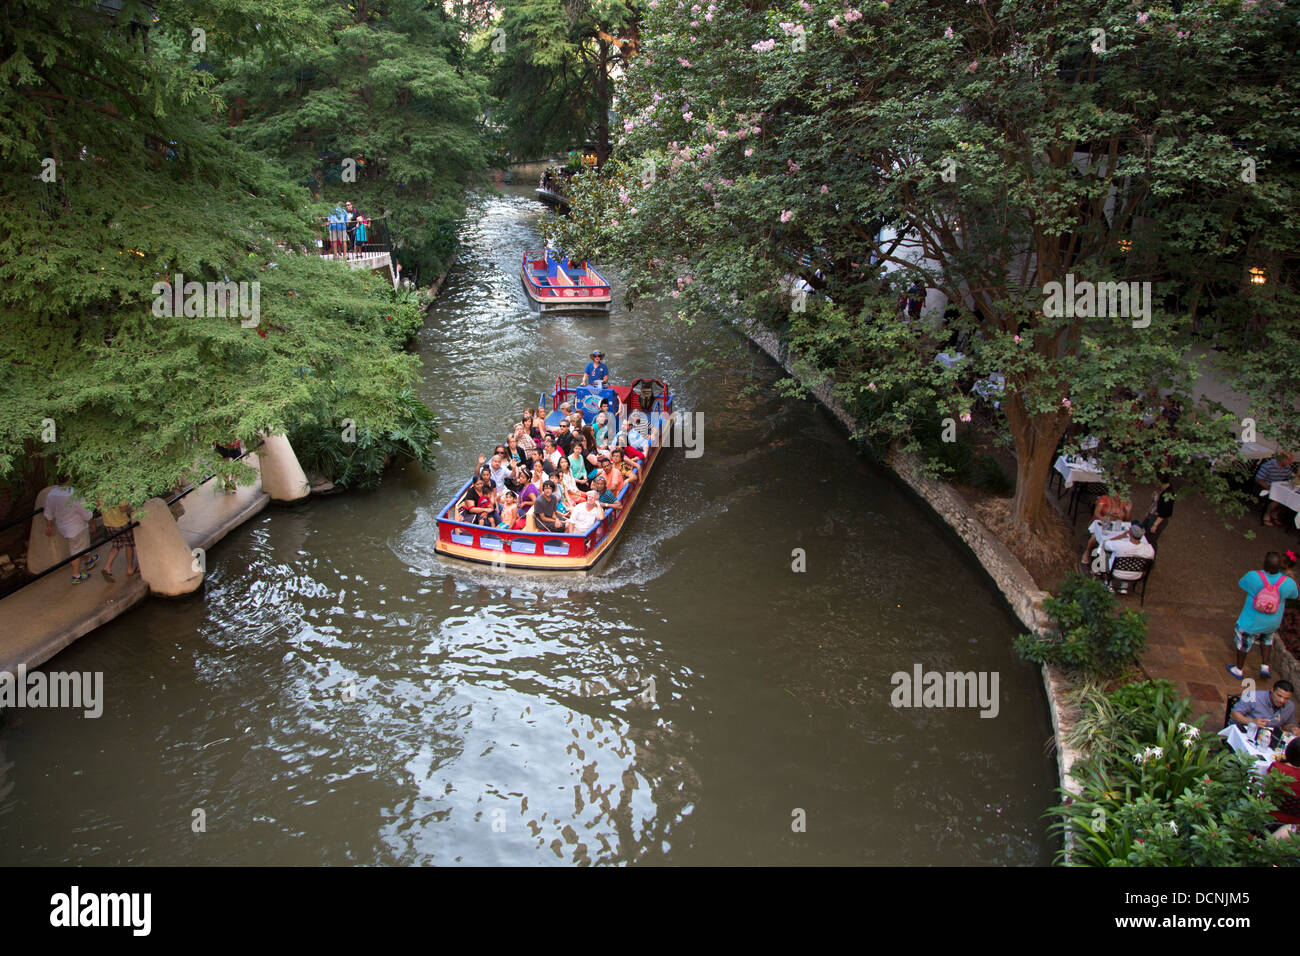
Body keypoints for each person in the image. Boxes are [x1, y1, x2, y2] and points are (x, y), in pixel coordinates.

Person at [1228, 552, 1300, 679]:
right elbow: (1295, 595)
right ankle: (1265, 667)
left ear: (1264, 564)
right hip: (1272, 622)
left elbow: (1241, 583)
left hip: (1251, 621)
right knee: (1267, 639)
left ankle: (1238, 669)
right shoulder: (1288, 582)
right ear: (1280, 566)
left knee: (1244, 643)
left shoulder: (1253, 576)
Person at [43, 486, 99, 583]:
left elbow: (48, 512)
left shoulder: (51, 494)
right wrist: (92, 523)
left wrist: (48, 526)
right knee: (76, 550)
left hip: (63, 527)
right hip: (77, 527)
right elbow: (85, 512)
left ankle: (88, 560)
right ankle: (76, 575)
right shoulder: (74, 493)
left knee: (82, 545)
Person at [1101, 521, 1154, 594]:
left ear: (1130, 533)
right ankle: (1124, 585)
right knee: (1132, 561)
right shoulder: (1149, 549)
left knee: (1103, 554)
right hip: (1136, 575)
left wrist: (1120, 536)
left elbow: (1104, 544)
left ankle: (1108, 584)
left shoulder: (1120, 545)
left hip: (1116, 572)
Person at [1231, 679, 1299, 736]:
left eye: (1286, 698)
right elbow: (1234, 714)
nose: (1282, 700)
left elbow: (1286, 724)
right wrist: (1251, 721)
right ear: (1272, 690)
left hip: (1268, 737)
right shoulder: (1253, 696)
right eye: (1279, 696)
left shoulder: (1290, 706)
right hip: (1245, 731)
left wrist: (1292, 728)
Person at [99, 500, 138, 584]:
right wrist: (131, 507)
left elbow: (98, 506)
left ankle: (107, 568)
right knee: (129, 544)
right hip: (122, 522)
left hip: (108, 524)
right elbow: (123, 508)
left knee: (116, 545)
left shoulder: (100, 491)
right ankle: (130, 569)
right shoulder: (119, 491)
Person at [1257, 453, 1296, 527]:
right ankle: (1267, 514)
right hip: (1265, 487)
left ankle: (1274, 513)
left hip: (1278, 488)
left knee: (1289, 498)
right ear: (1282, 459)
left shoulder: (1286, 467)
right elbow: (1258, 480)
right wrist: (1269, 488)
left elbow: (1291, 477)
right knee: (1279, 499)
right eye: (1289, 460)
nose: (1291, 463)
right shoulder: (1268, 465)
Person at [1144, 476, 1176, 543]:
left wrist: (1155, 524)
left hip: (1158, 517)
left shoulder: (1168, 494)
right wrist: (1148, 512)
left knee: (1151, 539)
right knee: (1144, 532)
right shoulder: (1159, 489)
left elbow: (1164, 512)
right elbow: (1154, 503)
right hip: (1152, 513)